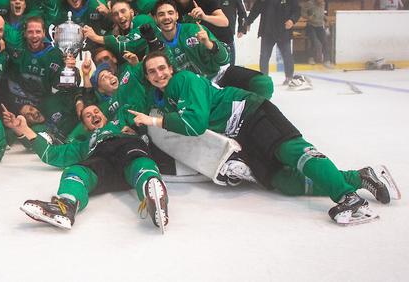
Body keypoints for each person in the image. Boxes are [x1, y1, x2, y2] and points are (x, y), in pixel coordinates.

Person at [130, 51, 399, 225]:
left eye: (162, 68)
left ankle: (348, 197)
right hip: (241, 132)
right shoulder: (170, 95)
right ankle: (362, 176)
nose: (158, 74)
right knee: (281, 180)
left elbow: (196, 123)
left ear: (171, 68)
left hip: (253, 111)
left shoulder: (185, 80)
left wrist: (154, 121)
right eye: (152, 72)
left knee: (295, 153)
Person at [3, 102, 169, 231]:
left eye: (96, 112)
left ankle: (152, 193)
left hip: (126, 149)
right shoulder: (83, 145)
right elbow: (51, 154)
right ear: (85, 126)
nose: (94, 115)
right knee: (74, 171)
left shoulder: (122, 129)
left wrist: (136, 131)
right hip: (101, 162)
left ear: (104, 116)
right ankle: (66, 206)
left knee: (139, 161)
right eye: (88, 115)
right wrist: (23, 128)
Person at [243, 0, 301, 86]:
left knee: (287, 55)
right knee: (264, 56)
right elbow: (255, 10)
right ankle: (264, 78)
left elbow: (297, 11)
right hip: (267, 32)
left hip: (283, 32)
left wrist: (292, 20)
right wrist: (248, 22)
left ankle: (289, 77)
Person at [202, 0, 248, 65]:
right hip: (209, 33)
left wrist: (242, 27)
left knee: (230, 63)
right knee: (209, 61)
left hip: (227, 32)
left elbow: (242, 12)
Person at [302, 0, 333, 67]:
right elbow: (302, 12)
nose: (322, 0)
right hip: (311, 26)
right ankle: (311, 58)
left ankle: (327, 60)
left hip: (319, 25)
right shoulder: (309, 3)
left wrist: (325, 20)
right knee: (314, 41)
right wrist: (308, 17)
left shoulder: (323, 3)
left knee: (325, 42)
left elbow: (321, 13)